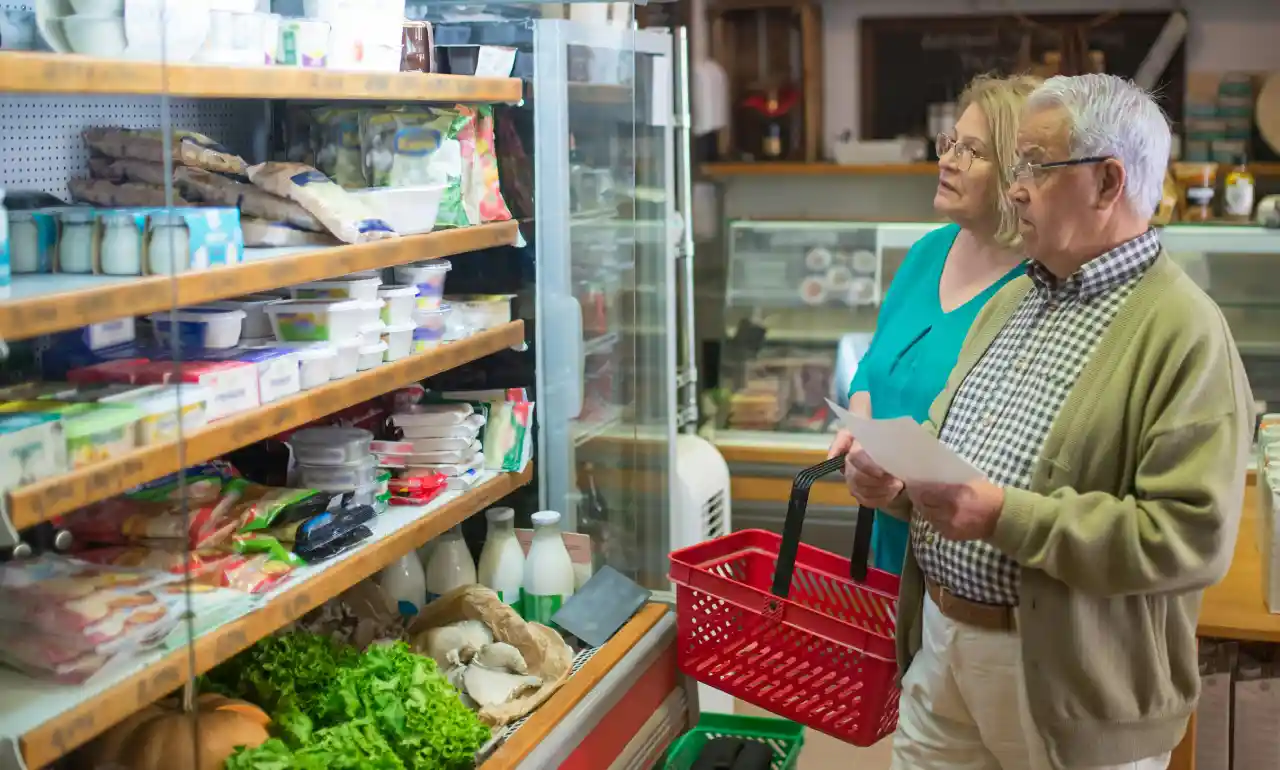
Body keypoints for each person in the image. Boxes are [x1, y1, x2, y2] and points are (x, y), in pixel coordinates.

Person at [845, 73, 1253, 770]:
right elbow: (944, 446)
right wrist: (895, 480)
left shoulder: (1182, 331)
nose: (1014, 187)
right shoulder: (1016, 300)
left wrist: (1007, 516)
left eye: (1036, 165)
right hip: (943, 650)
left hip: (1070, 685)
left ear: (1107, 182)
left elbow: (1189, 539)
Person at [827, 73, 1038, 575]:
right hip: (891, 550)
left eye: (972, 151)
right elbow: (873, 366)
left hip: (970, 565)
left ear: (1018, 174)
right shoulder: (928, 252)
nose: (946, 160)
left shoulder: (1037, 285)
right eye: (950, 143)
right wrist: (862, 442)